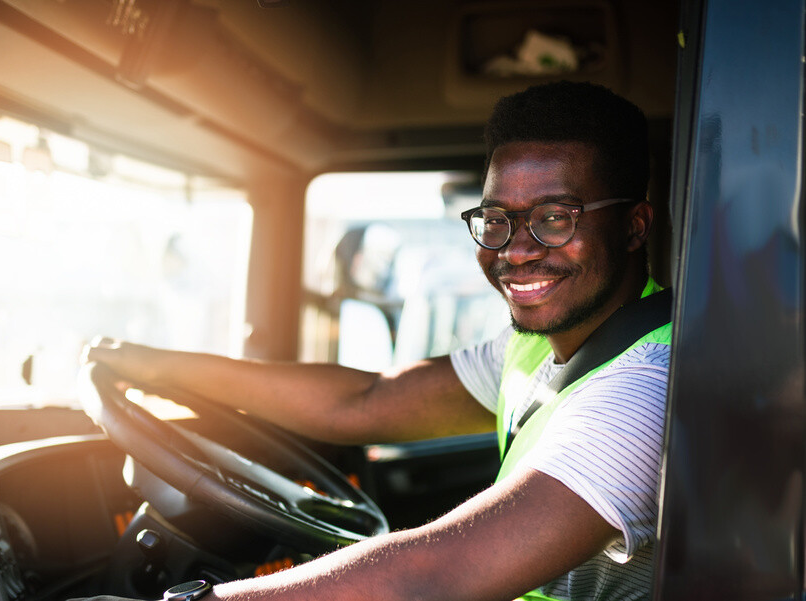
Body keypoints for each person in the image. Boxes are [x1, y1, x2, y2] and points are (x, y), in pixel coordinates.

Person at [79, 80, 669, 601]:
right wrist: (159, 367)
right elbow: (363, 401)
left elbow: (430, 577)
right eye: (497, 219)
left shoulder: (646, 384)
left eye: (556, 218)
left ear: (634, 226)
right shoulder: (541, 345)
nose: (515, 250)